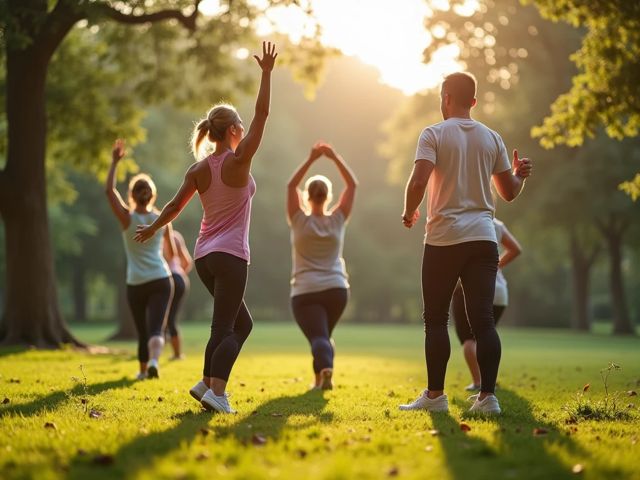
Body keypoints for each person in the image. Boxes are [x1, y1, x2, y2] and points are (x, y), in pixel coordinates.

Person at [134, 41, 277, 414]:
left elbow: (172, 206)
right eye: (240, 126)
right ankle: (218, 392)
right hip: (231, 256)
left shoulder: (198, 170)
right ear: (232, 130)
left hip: (205, 258)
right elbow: (262, 115)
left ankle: (205, 384)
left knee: (238, 325)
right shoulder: (239, 161)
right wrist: (266, 74)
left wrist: (152, 229)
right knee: (225, 329)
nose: (245, 129)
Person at [398, 72, 532, 415]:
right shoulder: (493, 138)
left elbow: (417, 181)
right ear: (473, 101)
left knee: (436, 319)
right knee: (483, 321)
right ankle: (488, 398)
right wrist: (519, 174)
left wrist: (410, 211)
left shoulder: (433, 134)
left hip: (443, 238)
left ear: (445, 98)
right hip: (484, 239)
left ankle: (436, 396)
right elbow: (510, 192)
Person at [286, 142, 357, 390]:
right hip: (337, 289)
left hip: (305, 291)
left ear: (307, 196)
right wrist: (334, 157)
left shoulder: (298, 219)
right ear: (328, 196)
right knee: (323, 336)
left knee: (318, 337)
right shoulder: (338, 219)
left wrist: (311, 159)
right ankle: (320, 381)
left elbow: (290, 185)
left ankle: (326, 370)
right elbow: (352, 185)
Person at [105, 139, 175, 380]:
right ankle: (154, 361)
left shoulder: (127, 218)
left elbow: (109, 192)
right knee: (157, 327)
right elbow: (172, 254)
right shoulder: (163, 220)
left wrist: (115, 163)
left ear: (132, 196)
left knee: (142, 330)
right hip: (161, 279)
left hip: (135, 282)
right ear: (152, 195)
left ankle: (143, 371)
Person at [451, 217, 522, 391]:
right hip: (498, 292)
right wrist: (495, 267)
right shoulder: (496, 224)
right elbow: (515, 249)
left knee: (469, 339)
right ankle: (488, 382)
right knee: (484, 336)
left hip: (468, 289)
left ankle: (478, 382)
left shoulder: (461, 220)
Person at [163, 229, 193, 360]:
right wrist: (180, 275)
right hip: (180, 279)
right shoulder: (176, 236)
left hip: (165, 278)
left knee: (160, 317)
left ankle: (153, 351)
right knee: (171, 318)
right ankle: (177, 354)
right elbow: (187, 262)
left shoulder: (156, 237)